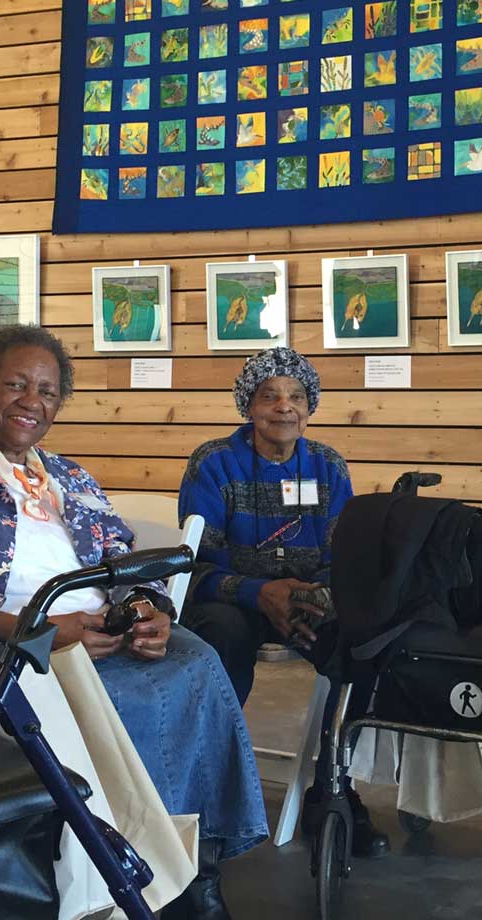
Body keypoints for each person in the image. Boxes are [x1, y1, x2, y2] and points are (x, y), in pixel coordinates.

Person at [0, 324, 265, 920]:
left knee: (198, 662)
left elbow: (125, 556)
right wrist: (30, 630)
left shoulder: (69, 478)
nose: (32, 402)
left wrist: (149, 608)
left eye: (48, 392)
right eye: (16, 384)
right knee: (127, 691)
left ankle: (197, 872)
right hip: (1, 639)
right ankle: (133, 872)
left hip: (96, 623)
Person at [177, 347, 389, 859]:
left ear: (310, 407)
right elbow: (196, 564)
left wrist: (313, 596)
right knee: (219, 634)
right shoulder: (214, 463)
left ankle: (332, 790)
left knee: (363, 641)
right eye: (268, 395)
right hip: (233, 601)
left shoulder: (328, 466)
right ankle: (207, 797)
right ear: (247, 406)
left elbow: (343, 554)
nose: (283, 407)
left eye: (296, 396)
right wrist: (260, 592)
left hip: (305, 600)